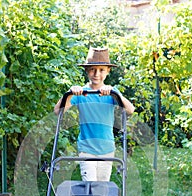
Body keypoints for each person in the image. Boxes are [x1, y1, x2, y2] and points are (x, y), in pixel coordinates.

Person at [54, 47, 135, 181]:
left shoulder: (111, 93)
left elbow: (130, 110)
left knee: (103, 187)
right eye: (92, 69)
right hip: (86, 149)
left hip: (107, 148)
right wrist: (69, 94)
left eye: (101, 70)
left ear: (108, 71)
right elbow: (58, 111)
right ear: (87, 71)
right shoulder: (80, 93)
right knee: (89, 186)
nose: (96, 74)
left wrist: (115, 94)